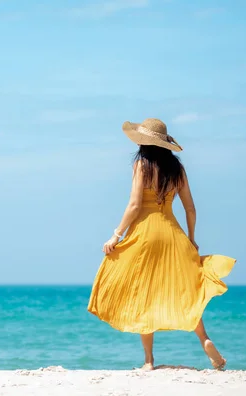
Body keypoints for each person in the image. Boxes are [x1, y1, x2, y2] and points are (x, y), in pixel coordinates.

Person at [87, 118, 236, 371]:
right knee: (188, 292)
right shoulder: (177, 169)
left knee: (144, 294)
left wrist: (116, 235)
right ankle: (205, 340)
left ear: (143, 142)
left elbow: (135, 205)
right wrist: (191, 238)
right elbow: (190, 208)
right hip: (173, 233)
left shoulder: (141, 165)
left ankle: (148, 361)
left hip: (145, 235)